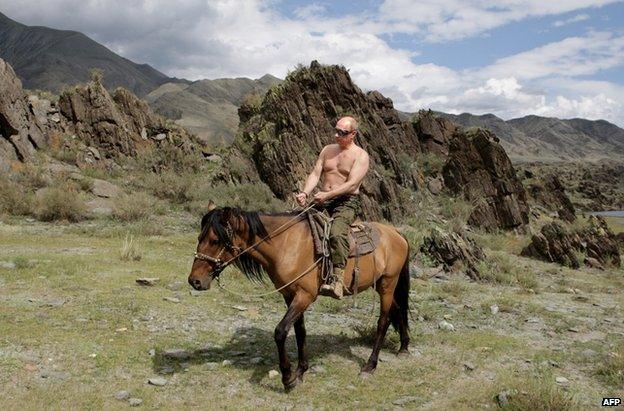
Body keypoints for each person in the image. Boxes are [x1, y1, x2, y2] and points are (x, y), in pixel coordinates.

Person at [295, 116, 370, 299]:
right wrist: (305, 192)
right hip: (324, 199)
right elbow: (315, 173)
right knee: (296, 222)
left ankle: (337, 279)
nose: (337, 135)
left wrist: (327, 195)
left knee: (336, 232)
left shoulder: (361, 156)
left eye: (342, 133)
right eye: (336, 130)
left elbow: (352, 185)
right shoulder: (327, 150)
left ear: (353, 134)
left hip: (347, 201)